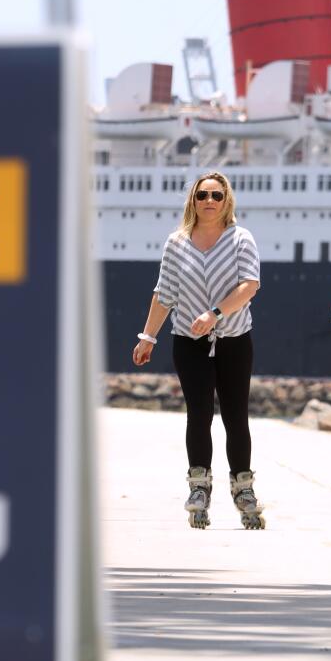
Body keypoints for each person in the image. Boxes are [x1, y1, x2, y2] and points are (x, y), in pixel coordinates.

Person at [133, 172, 264, 529]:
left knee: (236, 416)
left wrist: (216, 313)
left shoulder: (241, 238)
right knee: (199, 413)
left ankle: (243, 487)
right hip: (188, 341)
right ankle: (199, 487)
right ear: (193, 199)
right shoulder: (177, 243)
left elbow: (250, 285)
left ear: (227, 201)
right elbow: (164, 293)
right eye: (202, 194)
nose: (209, 201)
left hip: (234, 339)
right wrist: (148, 337)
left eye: (217, 196)